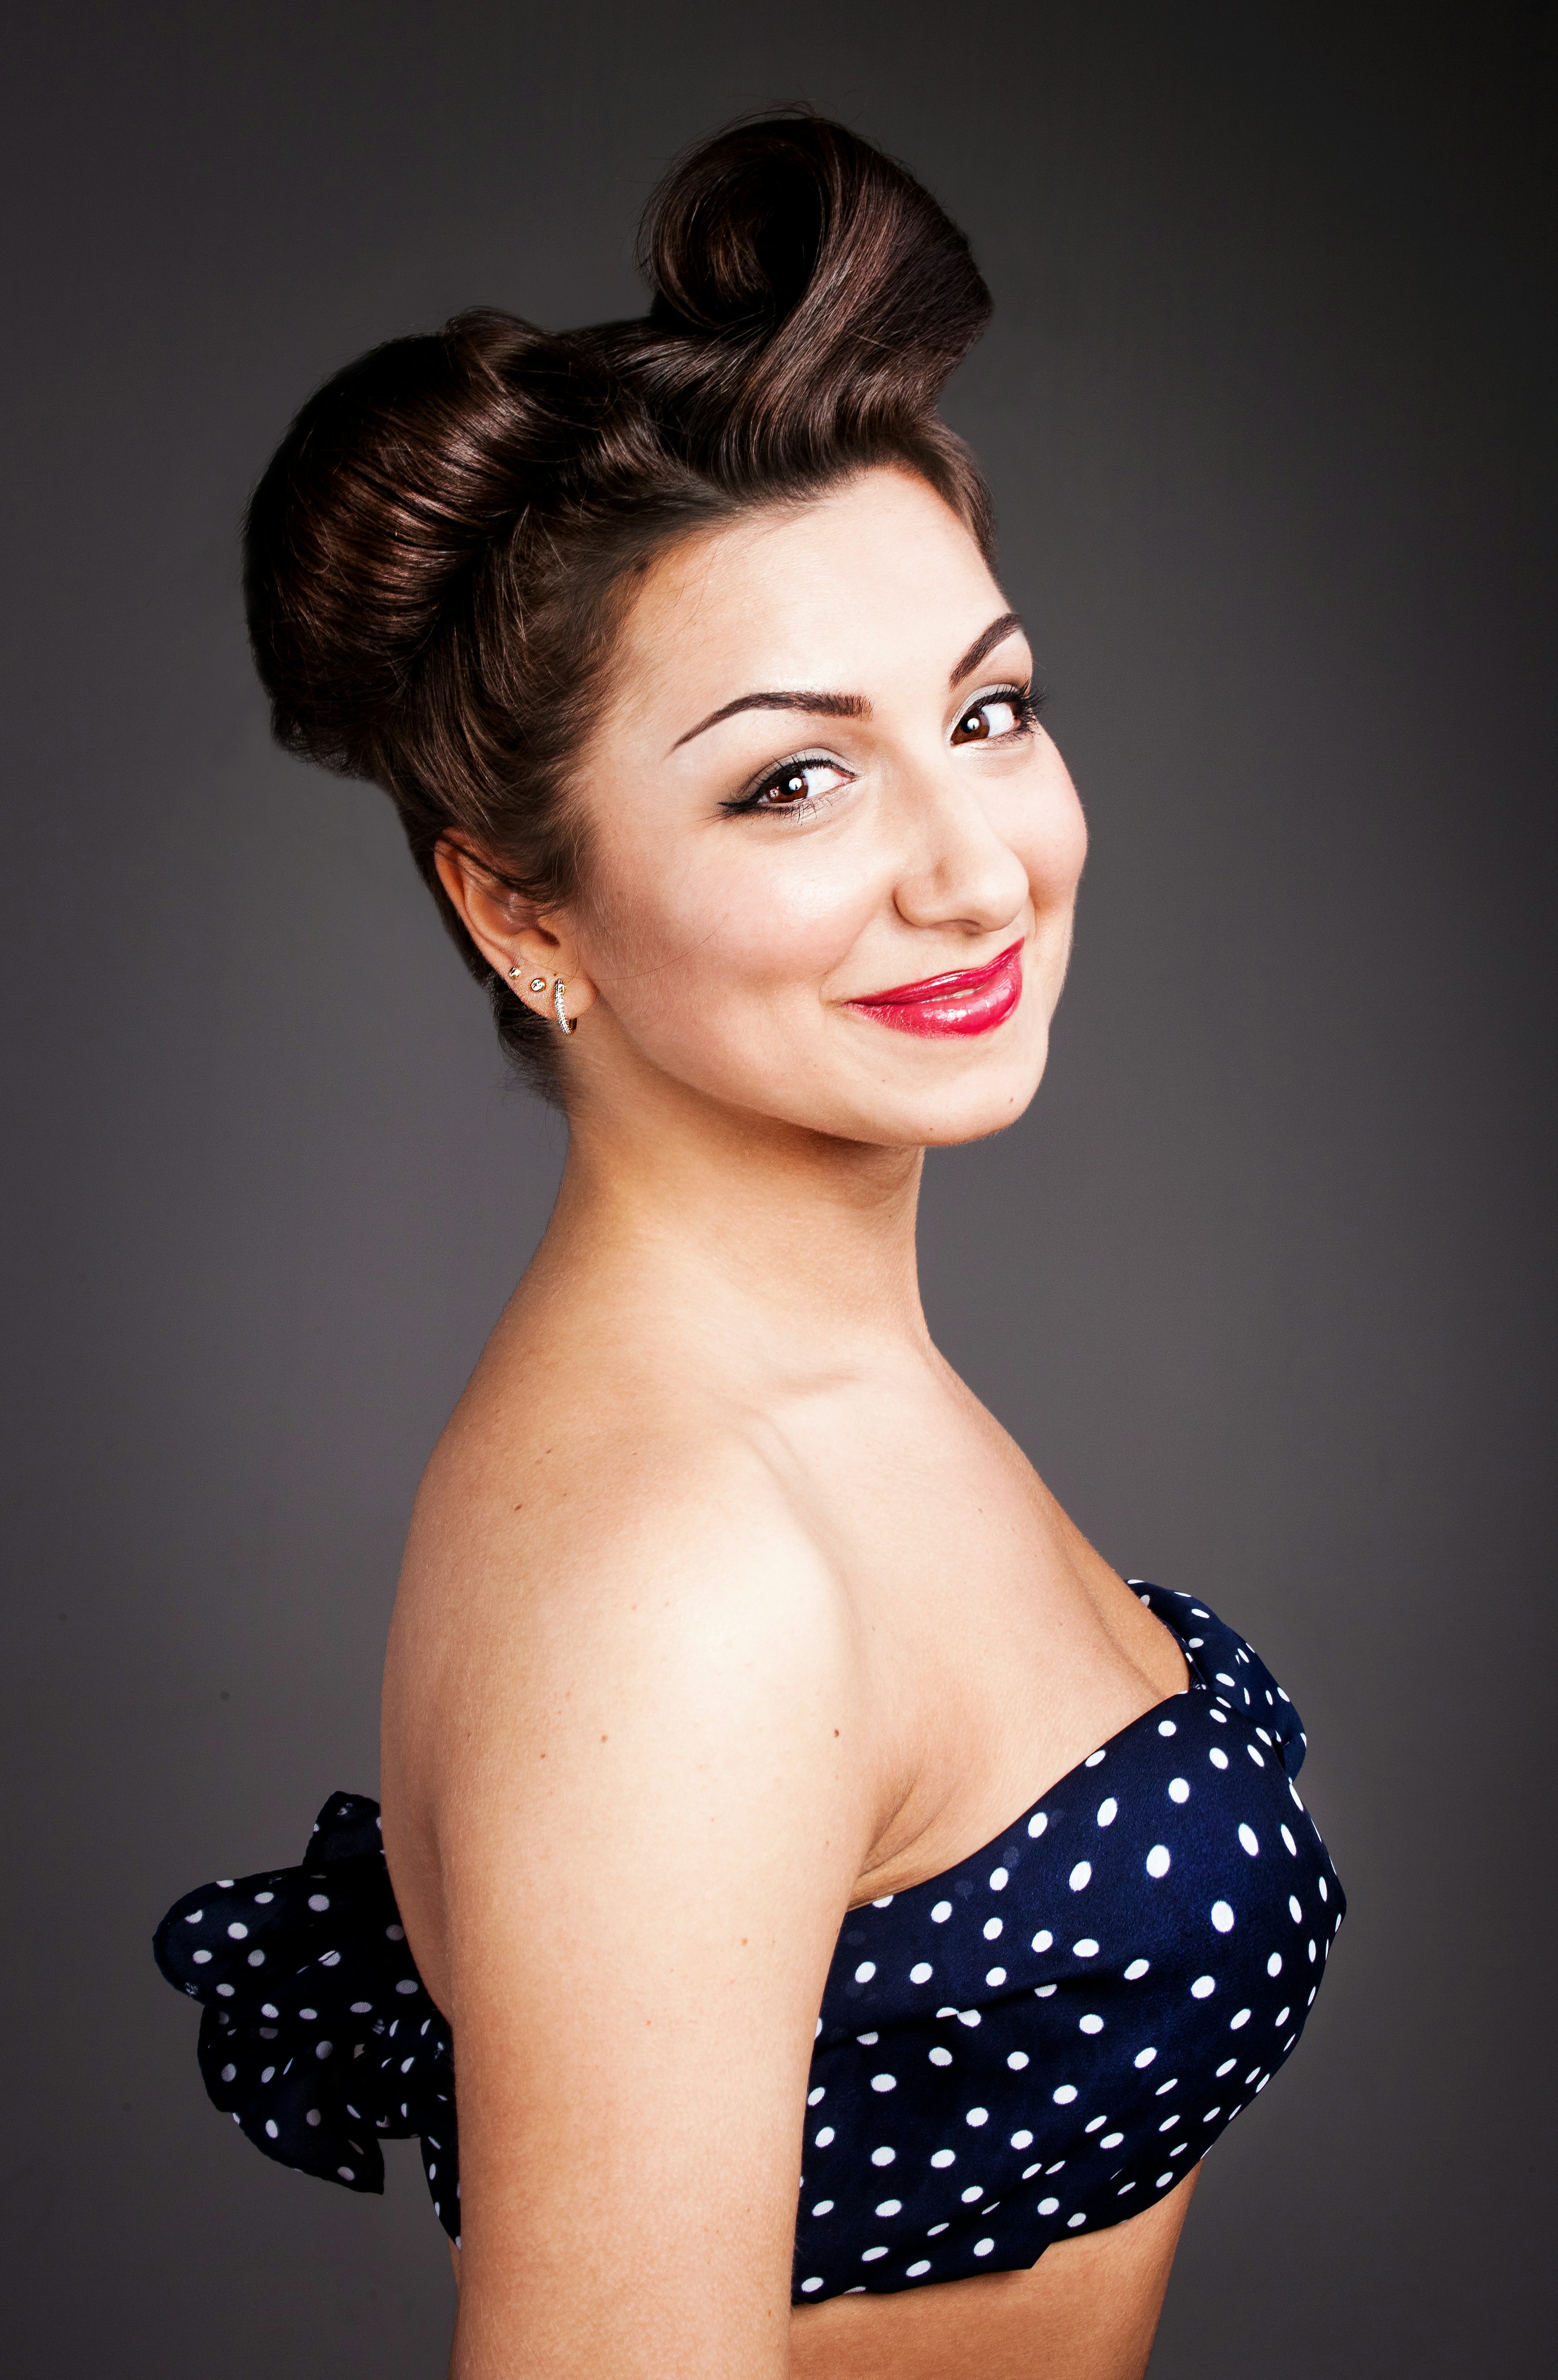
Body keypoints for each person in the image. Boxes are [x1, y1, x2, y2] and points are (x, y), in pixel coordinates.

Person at [154, 115, 1344, 2380]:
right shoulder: (678, 1584)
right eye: (796, 778)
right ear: (521, 911)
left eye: (986, 713)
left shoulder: (819, 1400)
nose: (977, 868)